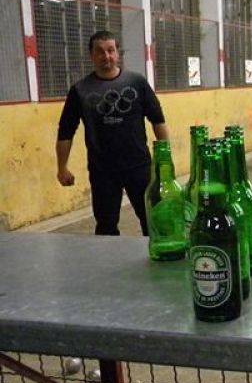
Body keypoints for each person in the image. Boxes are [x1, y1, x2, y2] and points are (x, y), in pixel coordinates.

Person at [56, 30, 169, 236]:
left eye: (110, 50)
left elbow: (158, 120)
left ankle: (154, 254)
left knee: (153, 221)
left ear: (118, 53)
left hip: (139, 166)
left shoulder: (137, 83)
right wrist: (62, 168)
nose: (106, 56)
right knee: (106, 227)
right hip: (102, 170)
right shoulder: (80, 90)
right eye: (100, 51)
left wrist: (165, 158)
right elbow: (65, 131)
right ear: (91, 56)